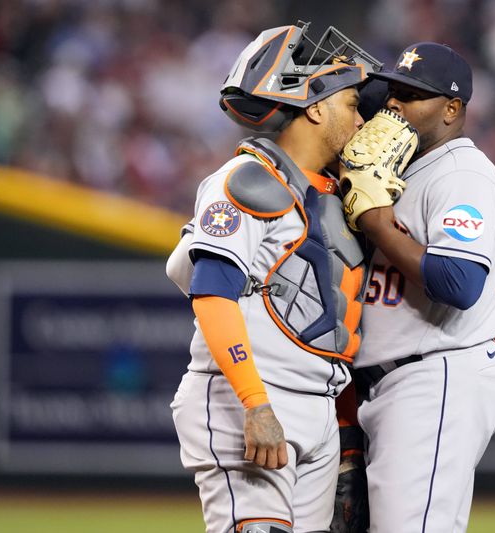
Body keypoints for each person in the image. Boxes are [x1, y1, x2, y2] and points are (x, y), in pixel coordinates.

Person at [164, 22, 381, 533]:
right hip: (249, 397)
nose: (361, 117)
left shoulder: (338, 196)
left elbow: (180, 267)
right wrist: (255, 405)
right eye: (352, 103)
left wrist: (344, 431)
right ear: (314, 106)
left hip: (318, 409)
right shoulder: (250, 178)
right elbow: (211, 293)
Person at [349, 42, 495, 532]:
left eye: (414, 95)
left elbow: (459, 281)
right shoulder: (398, 168)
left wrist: (378, 225)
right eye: (394, 91)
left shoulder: (462, 174)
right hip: (396, 379)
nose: (395, 103)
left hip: (437, 375)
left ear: (452, 109)